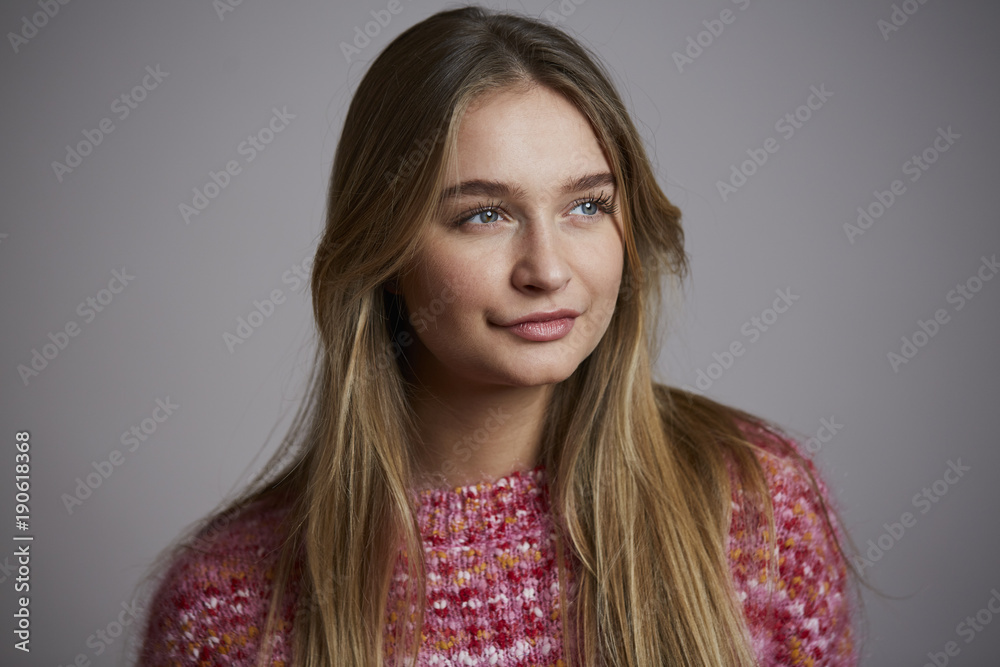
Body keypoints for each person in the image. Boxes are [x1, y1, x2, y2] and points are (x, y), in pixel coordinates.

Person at [135, 5, 864, 665]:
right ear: (384, 252)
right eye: (484, 214)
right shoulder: (226, 606)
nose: (548, 269)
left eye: (586, 205)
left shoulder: (759, 506)